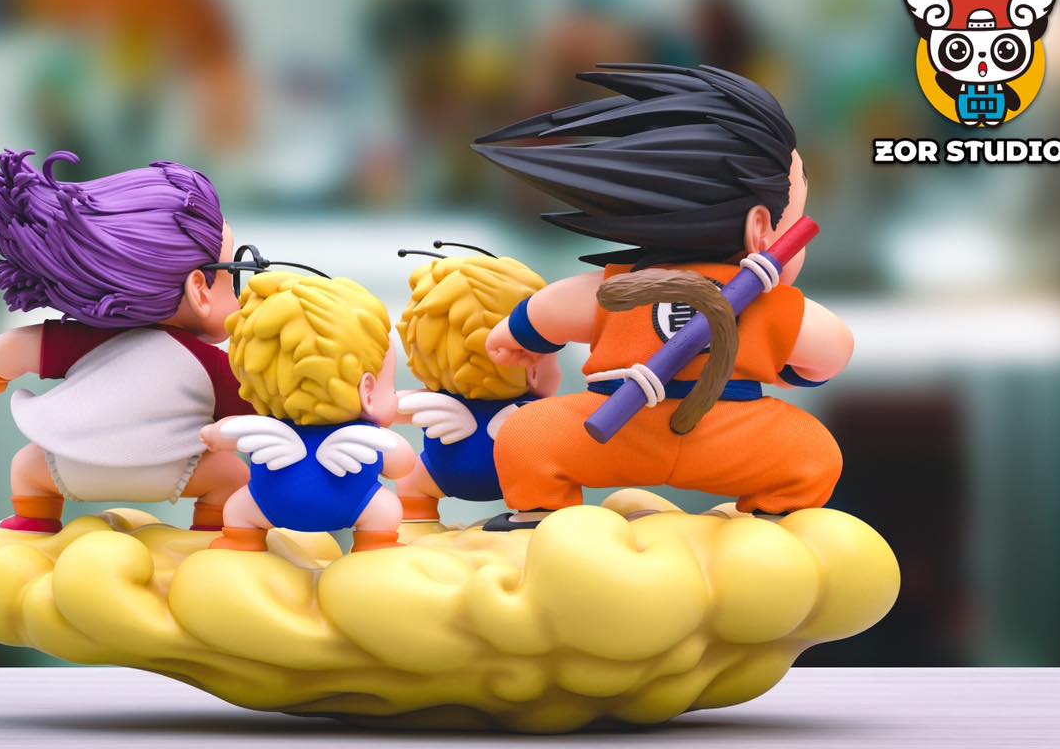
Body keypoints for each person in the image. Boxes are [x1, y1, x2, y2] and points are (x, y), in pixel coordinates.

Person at [473, 64, 854, 528]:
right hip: (730, 432)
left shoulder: (616, 287)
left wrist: (516, 336)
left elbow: (550, 309)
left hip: (615, 432)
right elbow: (834, 348)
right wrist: (795, 369)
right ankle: (778, 513)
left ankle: (539, 509)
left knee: (526, 437)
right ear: (760, 230)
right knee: (813, 454)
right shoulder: (769, 306)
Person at [0, 149, 252, 533]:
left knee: (26, 466)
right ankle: (212, 533)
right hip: (173, 469)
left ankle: (33, 522)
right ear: (199, 289)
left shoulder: (86, 341)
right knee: (232, 475)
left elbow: (20, 347)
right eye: (234, 275)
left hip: (70, 467)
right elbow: (253, 405)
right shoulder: (208, 363)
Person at [201, 272, 416, 552]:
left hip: (265, 505)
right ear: (368, 391)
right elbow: (402, 466)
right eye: (391, 387)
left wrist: (213, 434)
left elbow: (228, 433)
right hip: (354, 506)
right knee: (386, 509)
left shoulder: (262, 429)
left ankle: (242, 539)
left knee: (238, 508)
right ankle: (374, 545)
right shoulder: (370, 439)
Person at [393, 247, 560, 523]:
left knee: (411, 481)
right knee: (551, 484)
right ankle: (535, 521)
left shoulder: (432, 403)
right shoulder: (534, 414)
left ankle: (416, 520)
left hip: (438, 472)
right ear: (533, 367)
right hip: (519, 477)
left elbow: (393, 409)